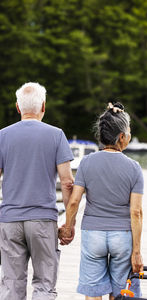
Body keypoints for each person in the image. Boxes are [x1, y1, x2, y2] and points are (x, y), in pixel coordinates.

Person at [59, 102, 144, 300]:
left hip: (93, 235)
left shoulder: (87, 163)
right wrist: (137, 252)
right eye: (129, 131)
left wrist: (68, 227)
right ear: (122, 137)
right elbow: (136, 212)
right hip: (122, 237)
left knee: (93, 291)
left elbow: (73, 202)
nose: (130, 135)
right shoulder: (134, 168)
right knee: (121, 292)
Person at [0, 82, 74, 300]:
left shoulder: (2, 136)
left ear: (17, 107)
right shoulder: (56, 135)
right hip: (43, 221)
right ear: (44, 106)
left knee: (11, 285)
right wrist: (69, 223)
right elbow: (67, 181)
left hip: (10, 220)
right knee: (44, 284)